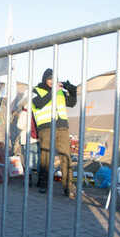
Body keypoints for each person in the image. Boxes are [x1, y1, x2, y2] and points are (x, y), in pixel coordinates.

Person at [32, 68, 77, 198]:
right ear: (44, 79)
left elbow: (72, 103)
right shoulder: (36, 90)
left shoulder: (60, 92)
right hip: (46, 128)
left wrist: (71, 89)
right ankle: (44, 185)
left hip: (62, 127)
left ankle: (68, 188)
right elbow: (38, 104)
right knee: (46, 156)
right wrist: (52, 92)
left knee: (65, 157)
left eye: (54, 79)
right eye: (49, 79)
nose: (52, 81)